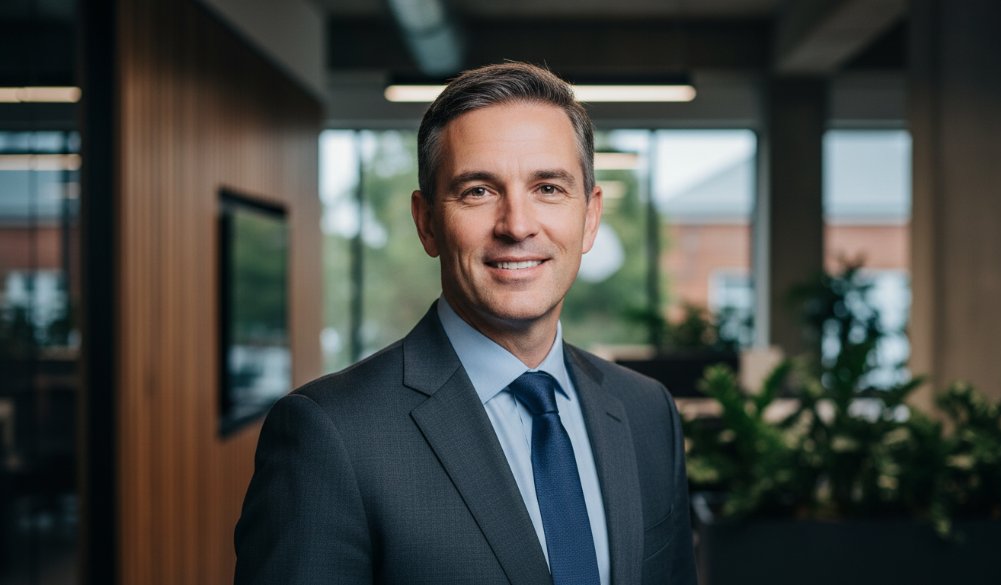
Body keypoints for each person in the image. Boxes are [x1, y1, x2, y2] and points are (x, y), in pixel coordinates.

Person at [234, 62, 698, 585]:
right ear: (427, 222)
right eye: (478, 190)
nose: (517, 225)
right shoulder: (330, 435)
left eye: (548, 187)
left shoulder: (645, 412)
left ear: (589, 216)